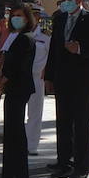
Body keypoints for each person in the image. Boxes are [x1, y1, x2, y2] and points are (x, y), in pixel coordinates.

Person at [43, 0, 89, 178]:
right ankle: (63, 162)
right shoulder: (59, 18)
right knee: (63, 122)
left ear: (79, 0)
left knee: (82, 123)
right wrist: (49, 77)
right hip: (63, 78)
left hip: (82, 79)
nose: (65, 2)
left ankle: (82, 165)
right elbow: (53, 49)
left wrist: (80, 48)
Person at [0, 4, 37, 178]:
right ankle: (12, 170)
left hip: (18, 87)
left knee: (16, 130)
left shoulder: (25, 39)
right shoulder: (14, 37)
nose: (16, 18)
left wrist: (6, 77)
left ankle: (17, 171)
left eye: (19, 15)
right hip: (14, 87)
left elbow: (20, 63)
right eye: (13, 15)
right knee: (12, 129)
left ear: (27, 18)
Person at [26, 10, 52, 156]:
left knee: (35, 112)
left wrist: (47, 73)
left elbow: (51, 55)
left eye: (35, 14)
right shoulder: (18, 33)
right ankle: (18, 143)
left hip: (37, 77)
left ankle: (32, 145)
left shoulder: (45, 35)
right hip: (20, 77)